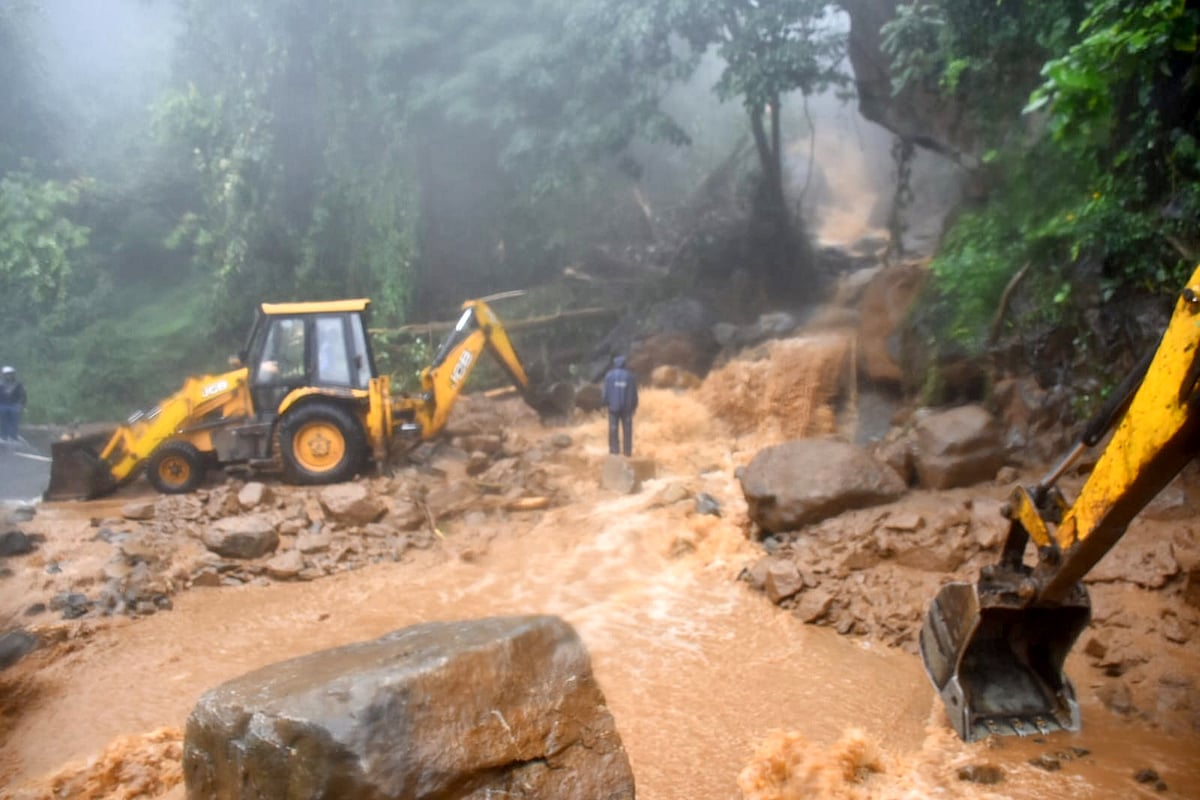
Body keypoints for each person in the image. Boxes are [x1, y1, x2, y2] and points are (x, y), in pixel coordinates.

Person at [602, 355, 638, 456]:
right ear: (624, 364)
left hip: (613, 408)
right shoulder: (630, 377)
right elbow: (634, 393)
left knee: (613, 429)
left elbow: (606, 392)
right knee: (627, 430)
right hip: (627, 409)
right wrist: (634, 406)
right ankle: (627, 452)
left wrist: (604, 404)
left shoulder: (609, 376)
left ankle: (614, 451)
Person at [0, 366, 27, 442]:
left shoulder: (18, 384)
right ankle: (3, 436)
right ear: (3, 375)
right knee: (4, 421)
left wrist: (22, 405)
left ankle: (13, 437)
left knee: (14, 421)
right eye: (7, 374)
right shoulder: (0, 384)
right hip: (3, 405)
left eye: (10, 374)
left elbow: (23, 395)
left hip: (14, 405)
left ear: (13, 374)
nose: (9, 375)